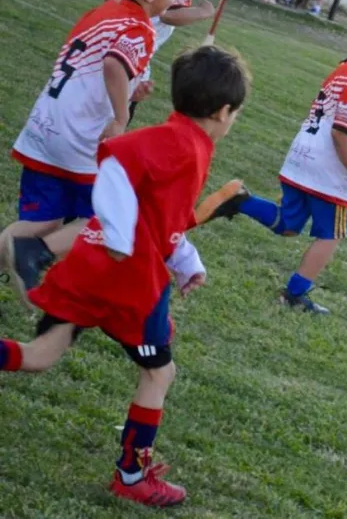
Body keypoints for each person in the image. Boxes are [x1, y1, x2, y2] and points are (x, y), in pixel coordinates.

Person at [1, 46, 251, 508]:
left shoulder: (187, 142)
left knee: (39, 355)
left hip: (92, 265)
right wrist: (118, 233)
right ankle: (131, 476)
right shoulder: (182, 144)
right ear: (222, 111)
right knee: (159, 375)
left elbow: (163, 217)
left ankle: (132, 473)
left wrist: (186, 260)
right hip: (128, 281)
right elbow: (117, 158)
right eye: (235, 113)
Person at [192, 12, 347, 314]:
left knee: (288, 225)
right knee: (332, 234)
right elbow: (341, 133)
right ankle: (294, 294)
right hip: (329, 171)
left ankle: (241, 200)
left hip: (301, 157)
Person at [0, 0, 186, 287]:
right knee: (106, 215)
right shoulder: (142, 26)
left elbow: (105, 67)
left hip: (47, 122)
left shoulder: (106, 9)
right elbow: (115, 65)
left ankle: (30, 251)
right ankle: (38, 258)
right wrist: (120, 116)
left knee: (46, 219)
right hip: (80, 134)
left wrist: (133, 90)